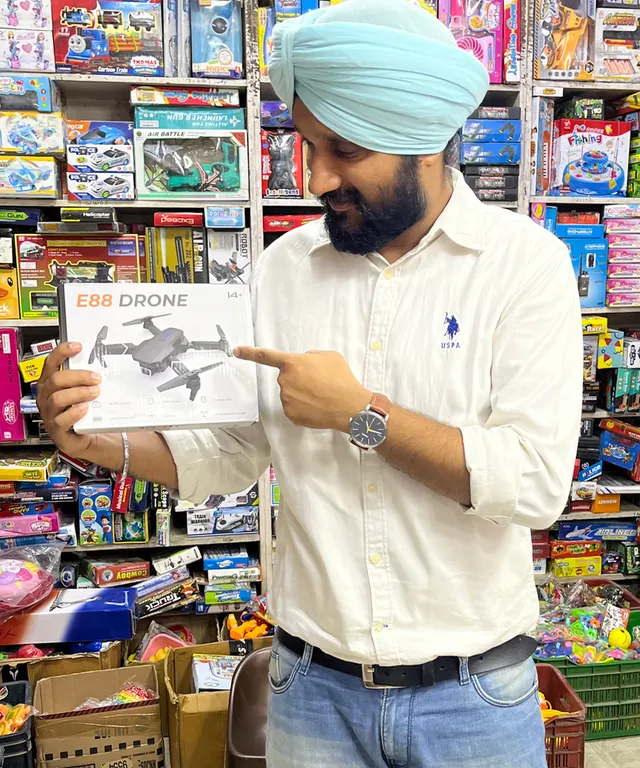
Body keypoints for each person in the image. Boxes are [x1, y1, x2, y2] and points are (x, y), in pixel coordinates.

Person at [37, 1, 582, 765]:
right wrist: (101, 440)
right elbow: (232, 450)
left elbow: (532, 485)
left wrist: (363, 416)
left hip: (474, 703)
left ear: (419, 141)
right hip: (312, 694)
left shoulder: (527, 266)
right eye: (307, 144)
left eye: (345, 149)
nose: (318, 175)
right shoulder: (283, 270)